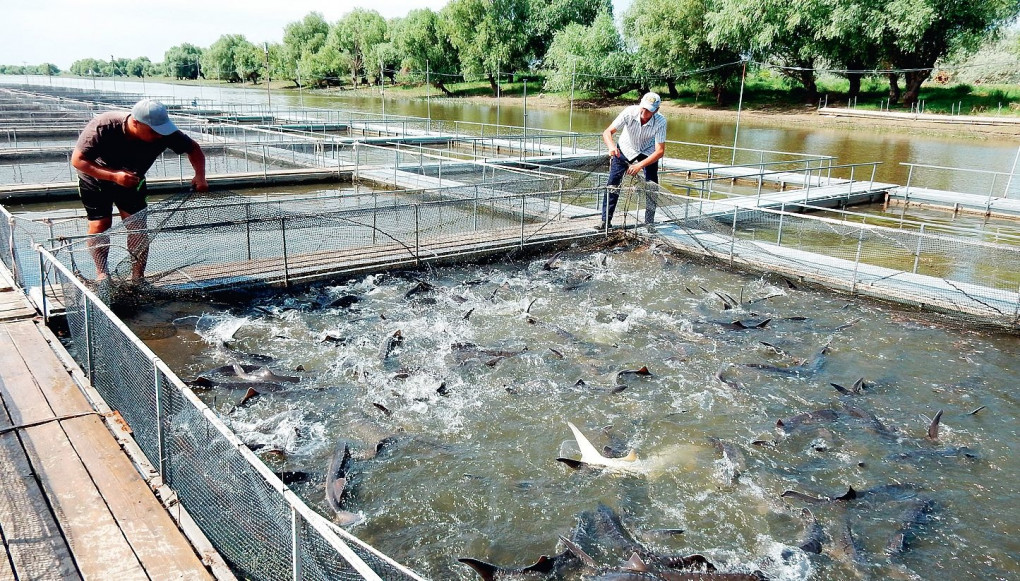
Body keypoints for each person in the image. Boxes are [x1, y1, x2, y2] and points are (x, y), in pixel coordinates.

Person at [71, 99, 208, 283]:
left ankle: (138, 277)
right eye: (153, 131)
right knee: (100, 225)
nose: (159, 136)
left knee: (138, 227)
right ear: (135, 122)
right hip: (96, 177)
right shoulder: (103, 126)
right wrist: (114, 176)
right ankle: (102, 274)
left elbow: (194, 149)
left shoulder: (165, 133)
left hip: (133, 180)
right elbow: (78, 160)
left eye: (162, 131)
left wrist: (200, 176)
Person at [600, 92, 667, 229]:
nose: (645, 112)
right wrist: (612, 147)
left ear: (656, 110)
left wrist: (639, 166)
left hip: (647, 152)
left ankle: (649, 223)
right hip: (625, 148)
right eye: (643, 107)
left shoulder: (661, 121)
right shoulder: (629, 112)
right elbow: (607, 132)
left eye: (649, 110)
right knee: (613, 184)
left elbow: (660, 151)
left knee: (652, 186)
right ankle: (605, 221)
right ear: (640, 103)